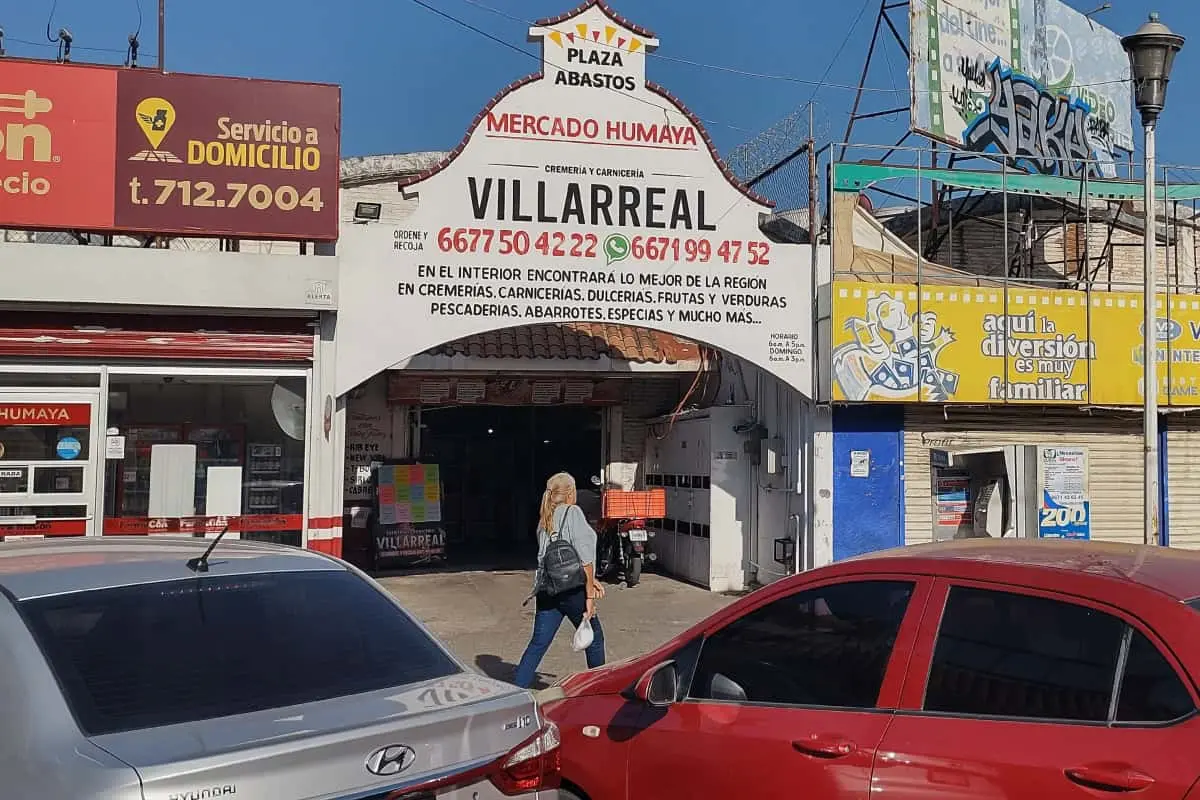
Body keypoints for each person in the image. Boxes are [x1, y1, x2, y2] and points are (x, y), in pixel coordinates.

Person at [513, 472, 606, 688]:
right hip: (573, 591)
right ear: (571, 493)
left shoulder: (545, 516)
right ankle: (598, 689)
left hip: (548, 590)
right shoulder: (573, 513)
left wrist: (592, 581)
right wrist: (590, 595)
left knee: (538, 644)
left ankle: (516, 691)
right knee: (595, 640)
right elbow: (585, 559)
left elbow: (548, 561)